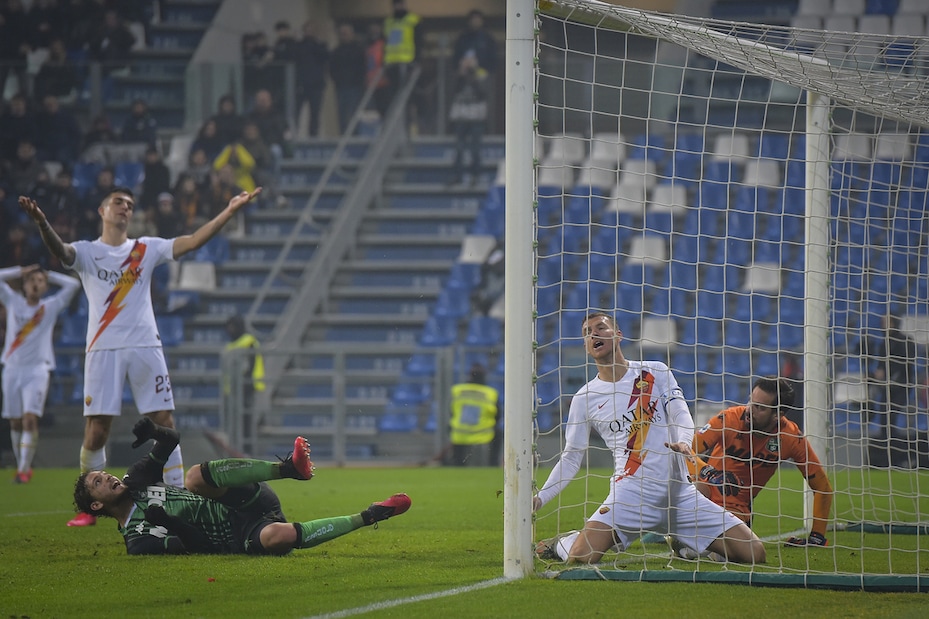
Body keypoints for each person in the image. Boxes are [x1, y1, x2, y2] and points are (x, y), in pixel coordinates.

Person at [18, 183, 262, 527]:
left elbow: (193, 241)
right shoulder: (87, 252)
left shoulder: (145, 248)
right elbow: (60, 250)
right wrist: (42, 222)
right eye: (118, 202)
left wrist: (230, 210)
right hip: (103, 348)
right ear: (103, 210)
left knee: (164, 421)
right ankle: (91, 507)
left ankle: (180, 496)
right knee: (97, 430)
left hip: (146, 345)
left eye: (130, 204)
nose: (125, 208)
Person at [533, 312, 765, 565]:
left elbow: (680, 413)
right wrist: (540, 498)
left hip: (679, 494)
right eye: (587, 333)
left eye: (600, 327)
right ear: (587, 347)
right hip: (631, 494)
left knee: (754, 553)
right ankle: (565, 542)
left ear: (618, 335)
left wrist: (684, 441)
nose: (593, 334)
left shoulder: (654, 371)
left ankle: (682, 543)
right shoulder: (584, 398)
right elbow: (571, 457)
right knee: (580, 558)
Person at [73, 417, 411, 555]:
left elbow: (172, 439)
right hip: (240, 535)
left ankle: (289, 468)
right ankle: (370, 515)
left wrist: (154, 432)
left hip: (238, 501)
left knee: (194, 477)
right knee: (278, 537)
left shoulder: (136, 480)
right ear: (97, 505)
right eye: (98, 482)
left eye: (104, 474)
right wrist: (168, 522)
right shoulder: (138, 542)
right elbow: (196, 547)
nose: (109, 477)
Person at [669, 377, 834, 557]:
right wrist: (707, 472)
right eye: (751, 401)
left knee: (732, 555)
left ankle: (685, 539)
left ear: (777, 415)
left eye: (759, 407)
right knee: (697, 487)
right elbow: (684, 451)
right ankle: (674, 527)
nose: (750, 410)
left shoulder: (790, 438)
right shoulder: (729, 418)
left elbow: (822, 487)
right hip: (705, 491)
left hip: (738, 507)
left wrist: (817, 536)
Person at [1, 264, 81, 483]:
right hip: (12, 368)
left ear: (45, 286)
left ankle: (23, 470)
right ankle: (21, 463)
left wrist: (49, 275)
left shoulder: (50, 306)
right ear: (24, 285)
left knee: (29, 419)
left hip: (37, 370)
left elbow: (73, 284)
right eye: (32, 281)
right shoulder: (12, 301)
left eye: (40, 281)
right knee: (15, 423)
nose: (35, 284)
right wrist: (20, 271)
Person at [861, 314, 918, 468]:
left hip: (901, 386)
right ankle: (889, 458)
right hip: (888, 387)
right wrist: (873, 376)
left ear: (894, 322)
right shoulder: (883, 344)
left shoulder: (905, 341)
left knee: (891, 417)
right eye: (882, 321)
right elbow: (881, 367)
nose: (883, 324)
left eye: (886, 321)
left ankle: (902, 456)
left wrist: (889, 374)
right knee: (884, 419)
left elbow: (906, 364)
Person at [448, 51, 488, 187]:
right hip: (461, 116)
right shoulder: (459, 74)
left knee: (475, 149)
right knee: (459, 148)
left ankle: (475, 176)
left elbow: (483, 92)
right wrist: (462, 74)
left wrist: (473, 73)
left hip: (477, 117)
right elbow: (452, 90)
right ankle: (457, 176)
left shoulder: (481, 73)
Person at [449, 363, 498, 466]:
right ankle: (493, 464)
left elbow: (451, 411)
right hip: (482, 435)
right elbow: (498, 415)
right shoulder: (490, 393)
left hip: (459, 433)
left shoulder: (457, 390)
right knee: (498, 434)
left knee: (458, 465)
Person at [382, 0, 422, 120]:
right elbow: (386, 42)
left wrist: (416, 60)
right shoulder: (388, 22)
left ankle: (409, 123)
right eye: (396, 4)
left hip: (407, 63)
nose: (398, 6)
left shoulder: (413, 20)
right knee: (393, 96)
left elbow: (419, 41)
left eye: (400, 4)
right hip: (392, 64)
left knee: (408, 96)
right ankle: (397, 122)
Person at [330, 21, 367, 134]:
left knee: (354, 112)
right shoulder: (336, 51)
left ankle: (355, 136)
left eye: (346, 33)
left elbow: (363, 67)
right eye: (342, 33)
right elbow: (332, 68)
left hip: (355, 86)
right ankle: (343, 135)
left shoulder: (359, 50)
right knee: (342, 113)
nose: (344, 36)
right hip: (341, 86)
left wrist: (359, 81)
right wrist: (337, 80)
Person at [295, 19, 330, 138]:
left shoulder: (320, 45)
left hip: (316, 84)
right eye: (307, 30)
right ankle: (294, 134)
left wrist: (317, 43)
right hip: (301, 84)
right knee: (297, 111)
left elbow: (326, 57)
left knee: (315, 112)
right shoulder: (299, 46)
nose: (309, 32)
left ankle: (313, 135)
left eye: (312, 30)